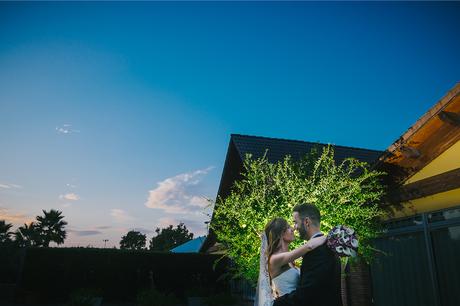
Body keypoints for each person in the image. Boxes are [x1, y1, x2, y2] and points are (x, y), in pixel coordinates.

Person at [273, 203, 343, 306]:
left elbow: (307, 294)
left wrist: (275, 303)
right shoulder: (326, 245)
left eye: (296, 222)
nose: (295, 228)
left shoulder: (318, 251)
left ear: (306, 222)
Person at [254, 217, 326, 306]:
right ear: (281, 234)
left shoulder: (289, 260)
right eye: (288, 227)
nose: (292, 229)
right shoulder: (274, 259)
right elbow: (309, 246)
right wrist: (332, 237)